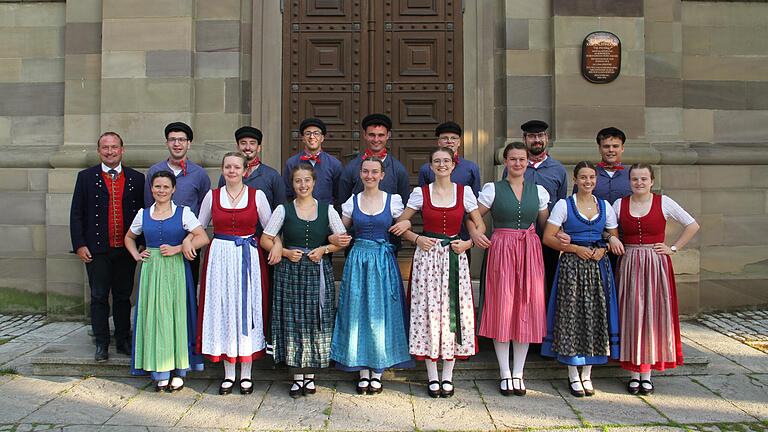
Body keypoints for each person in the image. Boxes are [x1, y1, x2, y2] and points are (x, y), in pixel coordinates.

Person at [390, 147, 485, 399]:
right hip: (428, 258)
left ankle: (448, 376)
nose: (441, 165)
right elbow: (400, 224)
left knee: (454, 311)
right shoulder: (420, 194)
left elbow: (480, 224)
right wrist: (416, 237)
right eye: (436, 161)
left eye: (446, 161)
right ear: (430, 166)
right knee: (428, 312)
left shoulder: (465, 194)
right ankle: (433, 376)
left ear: (454, 165)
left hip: (454, 256)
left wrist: (469, 243)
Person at [468, 142, 549, 397]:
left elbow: (547, 226)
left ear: (527, 162)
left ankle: (518, 372)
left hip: (529, 250)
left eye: (521, 159)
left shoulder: (540, 191)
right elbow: (472, 217)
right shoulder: (493, 189)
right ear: (505, 161)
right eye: (512, 159)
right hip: (501, 248)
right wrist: (474, 235)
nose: (517, 163)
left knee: (525, 308)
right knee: (502, 307)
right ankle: (504, 372)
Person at [261, 163, 349, 398]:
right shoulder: (283, 210)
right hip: (290, 272)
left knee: (315, 321)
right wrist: (286, 252)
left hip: (317, 271)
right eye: (298, 181)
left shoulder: (327, 209)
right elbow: (265, 239)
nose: (303, 185)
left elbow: (342, 240)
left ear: (314, 182)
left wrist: (324, 249)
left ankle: (310, 376)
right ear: (293, 184)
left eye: (307, 180)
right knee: (294, 321)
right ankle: (297, 376)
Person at [329, 157, 414, 395]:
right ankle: (362, 371)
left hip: (383, 260)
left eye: (374, 172)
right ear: (360, 174)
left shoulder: (393, 201)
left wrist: (412, 234)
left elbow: (403, 223)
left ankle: (377, 370)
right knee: (358, 311)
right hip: (358, 259)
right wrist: (334, 239)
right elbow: (341, 231)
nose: (369, 176)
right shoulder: (351, 202)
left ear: (382, 175)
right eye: (365, 171)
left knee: (381, 313)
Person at [613, 164, 699, 396]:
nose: (639, 183)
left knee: (652, 314)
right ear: (629, 181)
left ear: (652, 181)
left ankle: (647, 374)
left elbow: (692, 225)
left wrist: (672, 248)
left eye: (643, 179)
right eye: (634, 179)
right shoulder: (619, 204)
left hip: (655, 262)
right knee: (631, 314)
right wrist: (611, 240)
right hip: (629, 261)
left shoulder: (665, 202)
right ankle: (633, 373)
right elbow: (607, 228)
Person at [541, 161, 622, 398]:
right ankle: (572, 373)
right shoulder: (564, 205)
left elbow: (613, 237)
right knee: (572, 316)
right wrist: (575, 249)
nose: (588, 182)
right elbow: (548, 237)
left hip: (598, 267)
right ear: (575, 180)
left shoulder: (605, 206)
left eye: (592, 178)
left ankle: (587, 373)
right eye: (583, 178)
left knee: (596, 316)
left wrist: (604, 249)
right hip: (572, 267)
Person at [196, 152, 274, 396]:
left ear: (245, 171)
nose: (232, 171)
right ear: (222, 170)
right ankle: (229, 374)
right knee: (224, 309)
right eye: (228, 167)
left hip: (248, 256)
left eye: (236, 167)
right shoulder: (212, 196)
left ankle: (247, 374)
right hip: (219, 257)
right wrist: (187, 244)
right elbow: (199, 227)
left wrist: (278, 248)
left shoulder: (257, 196)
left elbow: (271, 228)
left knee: (247, 309)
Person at [125, 171, 209, 392]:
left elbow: (202, 236)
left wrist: (179, 248)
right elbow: (129, 237)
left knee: (176, 316)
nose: (161, 191)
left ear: (173, 190)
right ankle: (159, 369)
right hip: (152, 271)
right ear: (151, 189)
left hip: (175, 270)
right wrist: (136, 255)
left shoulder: (183, 213)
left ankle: (179, 370)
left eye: (165, 187)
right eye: (157, 187)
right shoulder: (143, 214)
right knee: (155, 316)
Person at [69, 132, 145, 362]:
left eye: (114, 147)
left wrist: (140, 244)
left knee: (123, 296)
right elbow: (76, 214)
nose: (110, 151)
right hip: (97, 249)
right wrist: (80, 244)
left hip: (126, 249)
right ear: (99, 150)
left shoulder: (137, 178)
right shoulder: (86, 177)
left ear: (122, 149)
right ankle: (101, 343)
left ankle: (123, 339)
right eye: (105, 147)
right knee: (99, 296)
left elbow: (143, 213)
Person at [502, 120, 568, 299]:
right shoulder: (515, 167)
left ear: (547, 138)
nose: (536, 140)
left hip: (547, 238)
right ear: (524, 139)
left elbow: (561, 204)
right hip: (519, 238)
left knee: (547, 281)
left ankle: (544, 323)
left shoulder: (558, 170)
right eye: (532, 136)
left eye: (540, 136)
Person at [145, 122, 210, 288]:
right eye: (172, 139)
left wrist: (192, 237)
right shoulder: (154, 171)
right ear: (166, 143)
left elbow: (205, 209)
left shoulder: (200, 174)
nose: (177, 144)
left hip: (190, 240)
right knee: (160, 286)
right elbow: (148, 205)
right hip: (161, 240)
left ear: (189, 143)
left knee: (187, 285)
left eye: (181, 140)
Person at [338, 113, 410, 208]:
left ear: (388, 135)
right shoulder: (351, 167)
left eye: (381, 135)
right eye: (372, 135)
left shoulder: (398, 169)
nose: (376, 140)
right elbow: (343, 202)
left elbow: (404, 204)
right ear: (364, 135)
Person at [218, 126, 286, 210]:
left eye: (252, 143)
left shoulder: (272, 175)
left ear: (258, 148)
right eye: (243, 143)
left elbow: (280, 209)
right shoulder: (228, 175)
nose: (247, 147)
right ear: (237, 147)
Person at [283, 118, 342, 205]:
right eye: (308, 133)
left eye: (316, 133)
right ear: (303, 138)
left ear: (322, 138)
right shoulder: (291, 163)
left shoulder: (334, 164)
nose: (312, 137)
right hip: (298, 213)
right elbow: (287, 193)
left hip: (325, 214)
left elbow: (338, 195)